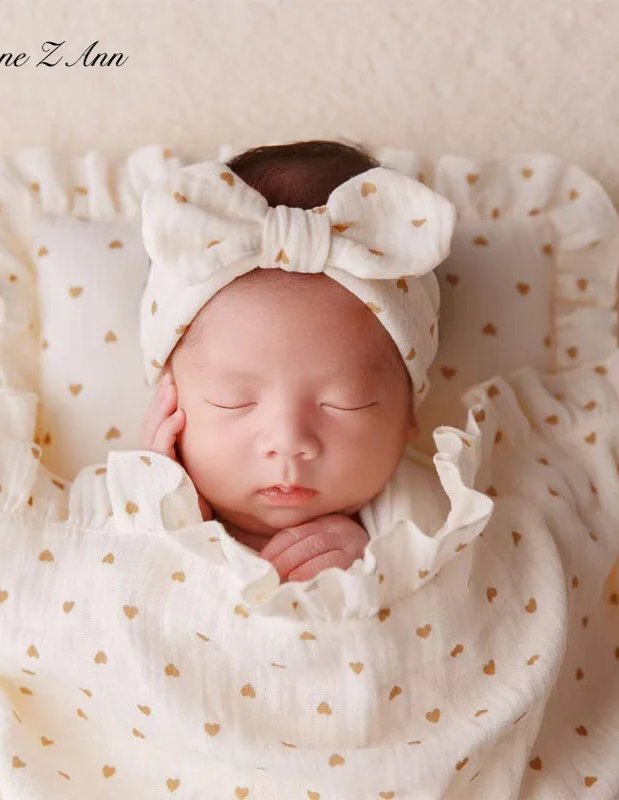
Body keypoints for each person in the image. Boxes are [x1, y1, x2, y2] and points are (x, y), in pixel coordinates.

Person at [140, 139, 456, 583]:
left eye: (346, 403)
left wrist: (380, 570)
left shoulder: (429, 514)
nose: (288, 441)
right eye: (234, 401)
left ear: (408, 411)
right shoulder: (123, 507)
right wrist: (160, 506)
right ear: (168, 399)